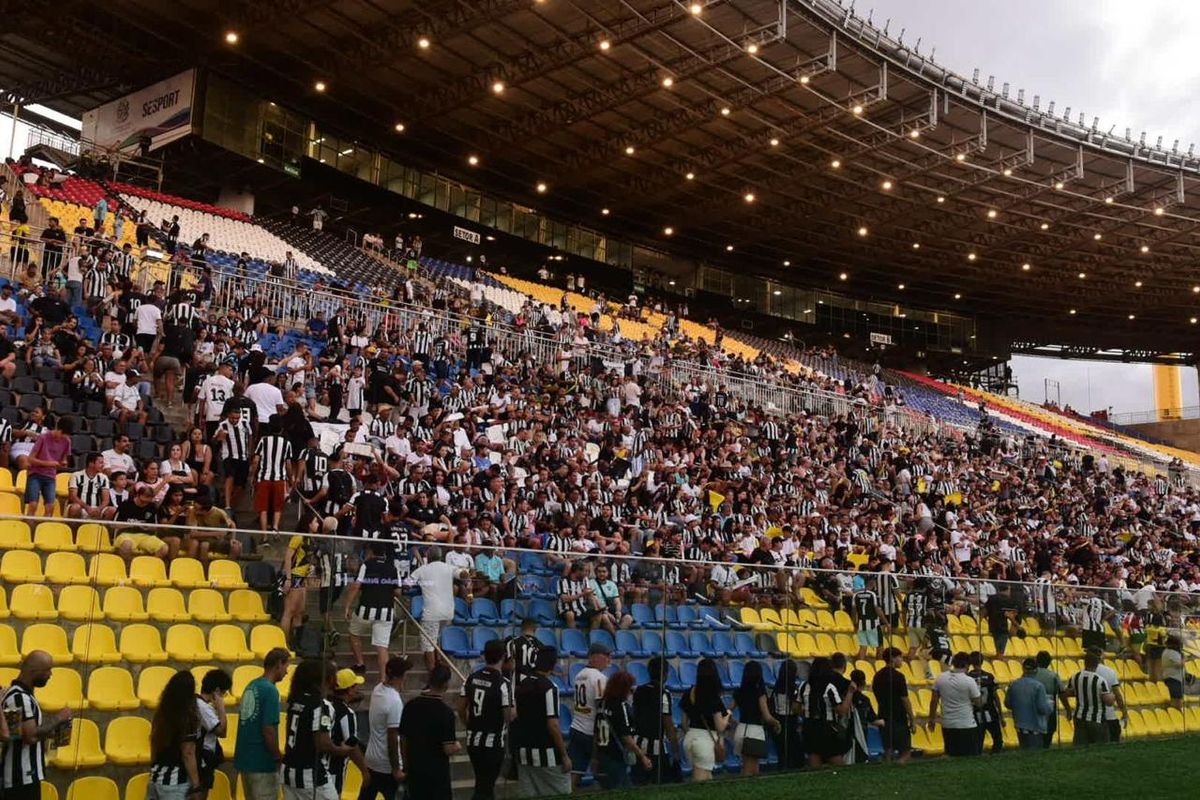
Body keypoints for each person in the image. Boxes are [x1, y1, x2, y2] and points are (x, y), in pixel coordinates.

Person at [1, 651, 72, 800]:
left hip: (26, 776)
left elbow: (17, 734)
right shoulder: (19, 697)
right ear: (34, 671)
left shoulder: (22, 695)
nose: (50, 674)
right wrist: (58, 718)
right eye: (47, 670)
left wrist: (54, 730)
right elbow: (30, 736)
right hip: (20, 777)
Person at [512, 646, 571, 797]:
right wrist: (564, 755)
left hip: (524, 751)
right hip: (546, 752)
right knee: (561, 792)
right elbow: (553, 724)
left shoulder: (522, 685)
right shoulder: (550, 688)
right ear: (552, 664)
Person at [460, 639, 514, 800]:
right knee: (486, 786)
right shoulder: (503, 683)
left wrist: (469, 724)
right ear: (503, 657)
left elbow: (460, 708)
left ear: (484, 656)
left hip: (473, 739)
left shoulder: (471, 678)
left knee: (481, 782)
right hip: (493, 741)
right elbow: (509, 715)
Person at [234, 648, 291, 800]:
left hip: (245, 760)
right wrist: (277, 757)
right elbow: (268, 729)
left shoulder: (251, 685)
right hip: (261, 763)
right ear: (279, 664)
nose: (287, 672)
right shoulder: (270, 690)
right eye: (286, 667)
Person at [282, 659, 342, 800]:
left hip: (288, 772)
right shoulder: (321, 705)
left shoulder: (295, 701)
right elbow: (322, 743)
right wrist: (341, 750)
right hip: (311, 776)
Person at [399, 664, 461, 799]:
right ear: (446, 684)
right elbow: (448, 748)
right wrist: (457, 746)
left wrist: (405, 764)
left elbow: (403, 739)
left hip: (415, 769)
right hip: (437, 774)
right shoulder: (446, 713)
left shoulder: (410, 706)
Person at [343, 541, 403, 678]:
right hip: (386, 612)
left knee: (354, 633)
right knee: (382, 647)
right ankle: (383, 679)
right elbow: (398, 592)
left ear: (370, 552)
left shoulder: (366, 565)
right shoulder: (393, 568)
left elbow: (356, 586)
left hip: (366, 609)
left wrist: (347, 606)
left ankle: (360, 663)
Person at [359, 656, 410, 800]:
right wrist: (396, 769)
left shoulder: (377, 690)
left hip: (371, 759)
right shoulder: (394, 701)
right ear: (401, 676)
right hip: (386, 765)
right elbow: (392, 737)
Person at [148, 670, 203, 799]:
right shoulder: (187, 717)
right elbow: (188, 753)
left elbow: (153, 742)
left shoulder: (161, 713)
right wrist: (196, 785)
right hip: (175, 781)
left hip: (156, 776)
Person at [410, 546, 467, 670]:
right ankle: (439, 662)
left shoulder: (422, 570)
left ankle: (432, 673)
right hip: (448, 613)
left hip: (431, 613)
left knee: (428, 644)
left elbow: (406, 584)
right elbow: (462, 574)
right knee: (436, 638)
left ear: (428, 557)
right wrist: (467, 573)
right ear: (440, 556)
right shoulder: (449, 567)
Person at [590, 670, 649, 790]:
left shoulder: (602, 704)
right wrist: (642, 756)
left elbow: (596, 734)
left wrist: (594, 757)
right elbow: (626, 736)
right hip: (616, 756)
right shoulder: (621, 706)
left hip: (602, 754)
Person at [631, 655, 680, 784]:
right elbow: (667, 723)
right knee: (661, 782)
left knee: (639, 783)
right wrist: (675, 748)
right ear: (665, 674)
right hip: (656, 746)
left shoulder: (639, 690)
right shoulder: (664, 694)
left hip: (638, 743)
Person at [568, 642, 610, 787]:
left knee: (575, 772)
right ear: (594, 657)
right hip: (591, 731)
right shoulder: (599, 678)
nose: (608, 660)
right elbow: (601, 708)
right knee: (603, 773)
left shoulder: (579, 675)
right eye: (605, 656)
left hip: (576, 726)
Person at [680, 658, 729, 781]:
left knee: (706, 777)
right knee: (700, 781)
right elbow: (720, 726)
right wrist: (728, 715)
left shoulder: (689, 693)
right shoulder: (713, 696)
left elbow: (684, 723)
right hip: (705, 742)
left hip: (690, 737)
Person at [802, 655, 854, 768]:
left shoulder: (804, 686)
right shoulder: (829, 687)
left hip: (809, 726)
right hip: (826, 728)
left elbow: (796, 707)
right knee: (837, 762)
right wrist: (850, 693)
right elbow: (841, 711)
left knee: (814, 763)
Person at [730, 660, 779, 776]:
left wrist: (734, 722)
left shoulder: (739, 692)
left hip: (741, 729)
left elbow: (728, 711)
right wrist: (776, 722)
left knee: (746, 764)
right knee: (753, 768)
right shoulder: (760, 692)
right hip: (755, 732)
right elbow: (767, 717)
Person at [928, 651, 982, 757]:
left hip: (948, 724)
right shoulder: (969, 681)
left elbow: (933, 701)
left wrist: (932, 719)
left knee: (951, 755)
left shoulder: (941, 677)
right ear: (967, 665)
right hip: (966, 724)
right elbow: (978, 703)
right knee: (969, 756)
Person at [327, 669, 368, 799]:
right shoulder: (346, 713)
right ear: (349, 690)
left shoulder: (325, 705)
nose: (357, 690)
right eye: (355, 686)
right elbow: (352, 746)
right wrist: (364, 771)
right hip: (334, 770)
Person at [871, 646, 914, 762]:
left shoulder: (877, 676)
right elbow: (905, 699)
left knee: (888, 749)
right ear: (892, 658)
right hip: (898, 717)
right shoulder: (899, 677)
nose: (902, 660)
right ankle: (899, 768)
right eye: (899, 657)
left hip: (883, 715)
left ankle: (887, 768)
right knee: (905, 751)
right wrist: (912, 718)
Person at [24, 416, 73, 516]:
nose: (62, 437)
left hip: (50, 476)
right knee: (33, 504)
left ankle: (43, 528)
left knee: (50, 506)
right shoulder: (43, 437)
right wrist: (48, 463)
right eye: (62, 434)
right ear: (58, 429)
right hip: (35, 474)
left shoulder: (67, 441)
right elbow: (30, 459)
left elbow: (64, 459)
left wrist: (63, 462)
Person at [251, 417, 293, 532]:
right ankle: (275, 528)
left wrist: (252, 476)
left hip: (264, 478)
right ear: (282, 429)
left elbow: (256, 461)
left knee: (263, 508)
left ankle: (264, 534)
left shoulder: (263, 441)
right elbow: (288, 464)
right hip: (279, 479)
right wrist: (290, 479)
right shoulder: (287, 443)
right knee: (277, 507)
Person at [281, 515, 320, 641]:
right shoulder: (298, 537)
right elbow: (288, 557)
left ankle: (296, 641)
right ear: (308, 524)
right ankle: (284, 641)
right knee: (289, 611)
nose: (317, 524)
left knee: (300, 612)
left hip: (303, 577)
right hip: (295, 575)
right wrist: (288, 578)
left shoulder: (312, 539)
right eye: (315, 522)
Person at [1065, 649, 1115, 746]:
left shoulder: (1075, 676)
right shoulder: (1100, 680)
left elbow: (1067, 692)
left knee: (1080, 748)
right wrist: (1112, 696)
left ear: (1085, 663)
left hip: (1079, 717)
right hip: (1096, 719)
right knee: (1100, 747)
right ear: (1097, 664)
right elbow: (1108, 701)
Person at [196, 669, 232, 799]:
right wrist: (221, 708)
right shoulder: (202, 707)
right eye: (223, 693)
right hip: (201, 760)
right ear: (217, 691)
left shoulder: (201, 705)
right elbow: (222, 731)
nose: (224, 696)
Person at [1005, 658, 1054, 750]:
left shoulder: (1013, 684)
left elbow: (1007, 704)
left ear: (1023, 669)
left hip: (1019, 726)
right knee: (1035, 756)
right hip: (1035, 727)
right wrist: (1050, 705)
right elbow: (1042, 708)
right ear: (1036, 670)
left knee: (1024, 753)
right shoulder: (1038, 686)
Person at [769, 658, 803, 770]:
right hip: (790, 720)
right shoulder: (793, 687)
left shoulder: (776, 687)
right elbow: (794, 708)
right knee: (795, 751)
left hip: (778, 719)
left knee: (781, 751)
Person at [967, 651, 1003, 754]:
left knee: (978, 740)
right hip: (990, 711)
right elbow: (996, 697)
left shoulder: (968, 677)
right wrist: (1001, 714)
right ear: (982, 661)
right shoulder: (990, 676)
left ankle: (978, 756)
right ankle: (995, 755)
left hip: (974, 712)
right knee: (997, 738)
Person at [1033, 650, 1068, 747]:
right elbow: (1062, 693)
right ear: (1049, 662)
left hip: (1033, 708)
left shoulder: (1030, 674)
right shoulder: (1053, 676)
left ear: (1036, 661)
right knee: (1048, 735)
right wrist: (1068, 709)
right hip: (1049, 709)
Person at [1162, 634, 1186, 711]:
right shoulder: (1171, 652)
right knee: (1176, 700)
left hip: (1175, 678)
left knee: (1177, 699)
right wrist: (1186, 658)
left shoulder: (1168, 652)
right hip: (1173, 679)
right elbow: (1180, 664)